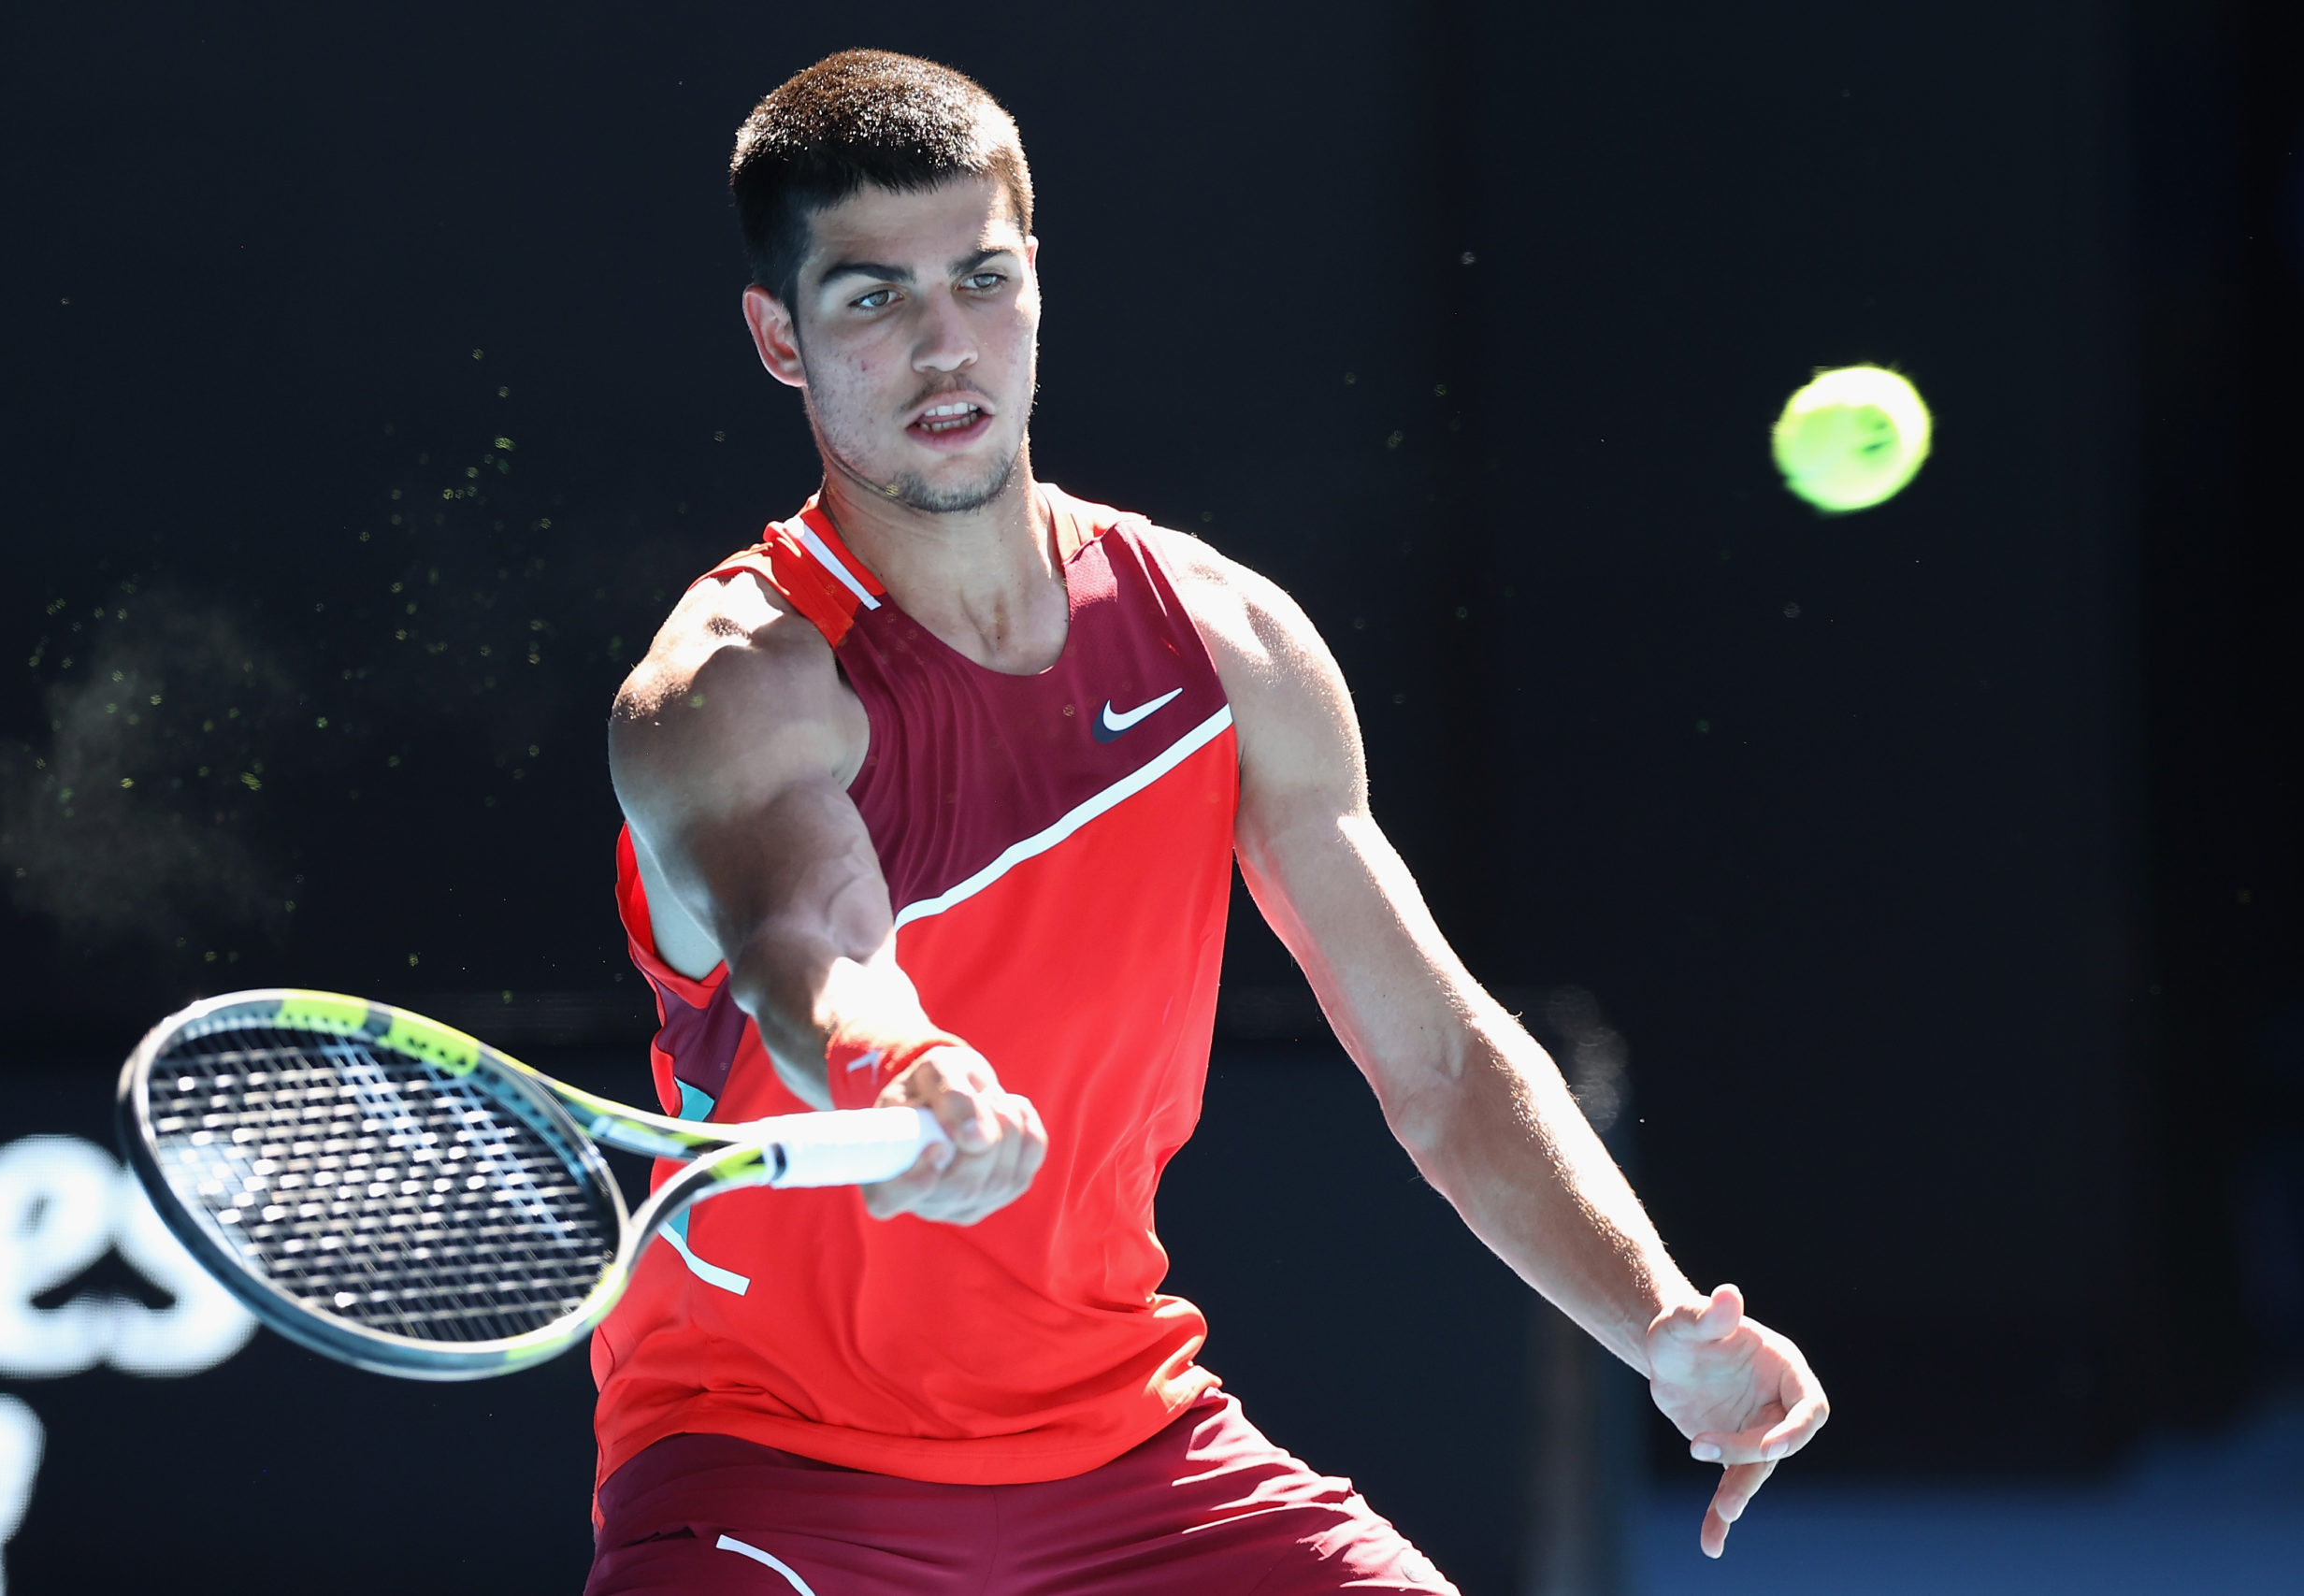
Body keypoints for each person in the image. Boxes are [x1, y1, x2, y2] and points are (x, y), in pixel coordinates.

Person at [592, 49, 1828, 1596]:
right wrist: (902, 1066)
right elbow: (809, 942)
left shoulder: (1221, 644)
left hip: (1134, 1457)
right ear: (780, 336)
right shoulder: (736, 684)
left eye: (981, 279)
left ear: (1037, 280)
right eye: (872, 298)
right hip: (770, 1472)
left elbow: (1441, 1063)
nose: (943, 346)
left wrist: (1658, 1323)